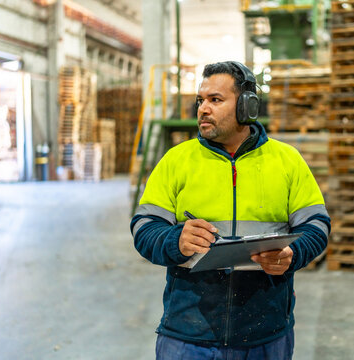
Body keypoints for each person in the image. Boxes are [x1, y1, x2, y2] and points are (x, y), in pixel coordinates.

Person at [130, 61, 331, 360]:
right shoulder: (176, 160)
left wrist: (293, 254)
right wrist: (175, 240)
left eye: (215, 100)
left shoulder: (287, 160)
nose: (202, 109)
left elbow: (317, 225)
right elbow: (144, 227)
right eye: (201, 100)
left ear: (247, 106)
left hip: (265, 333)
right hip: (188, 332)